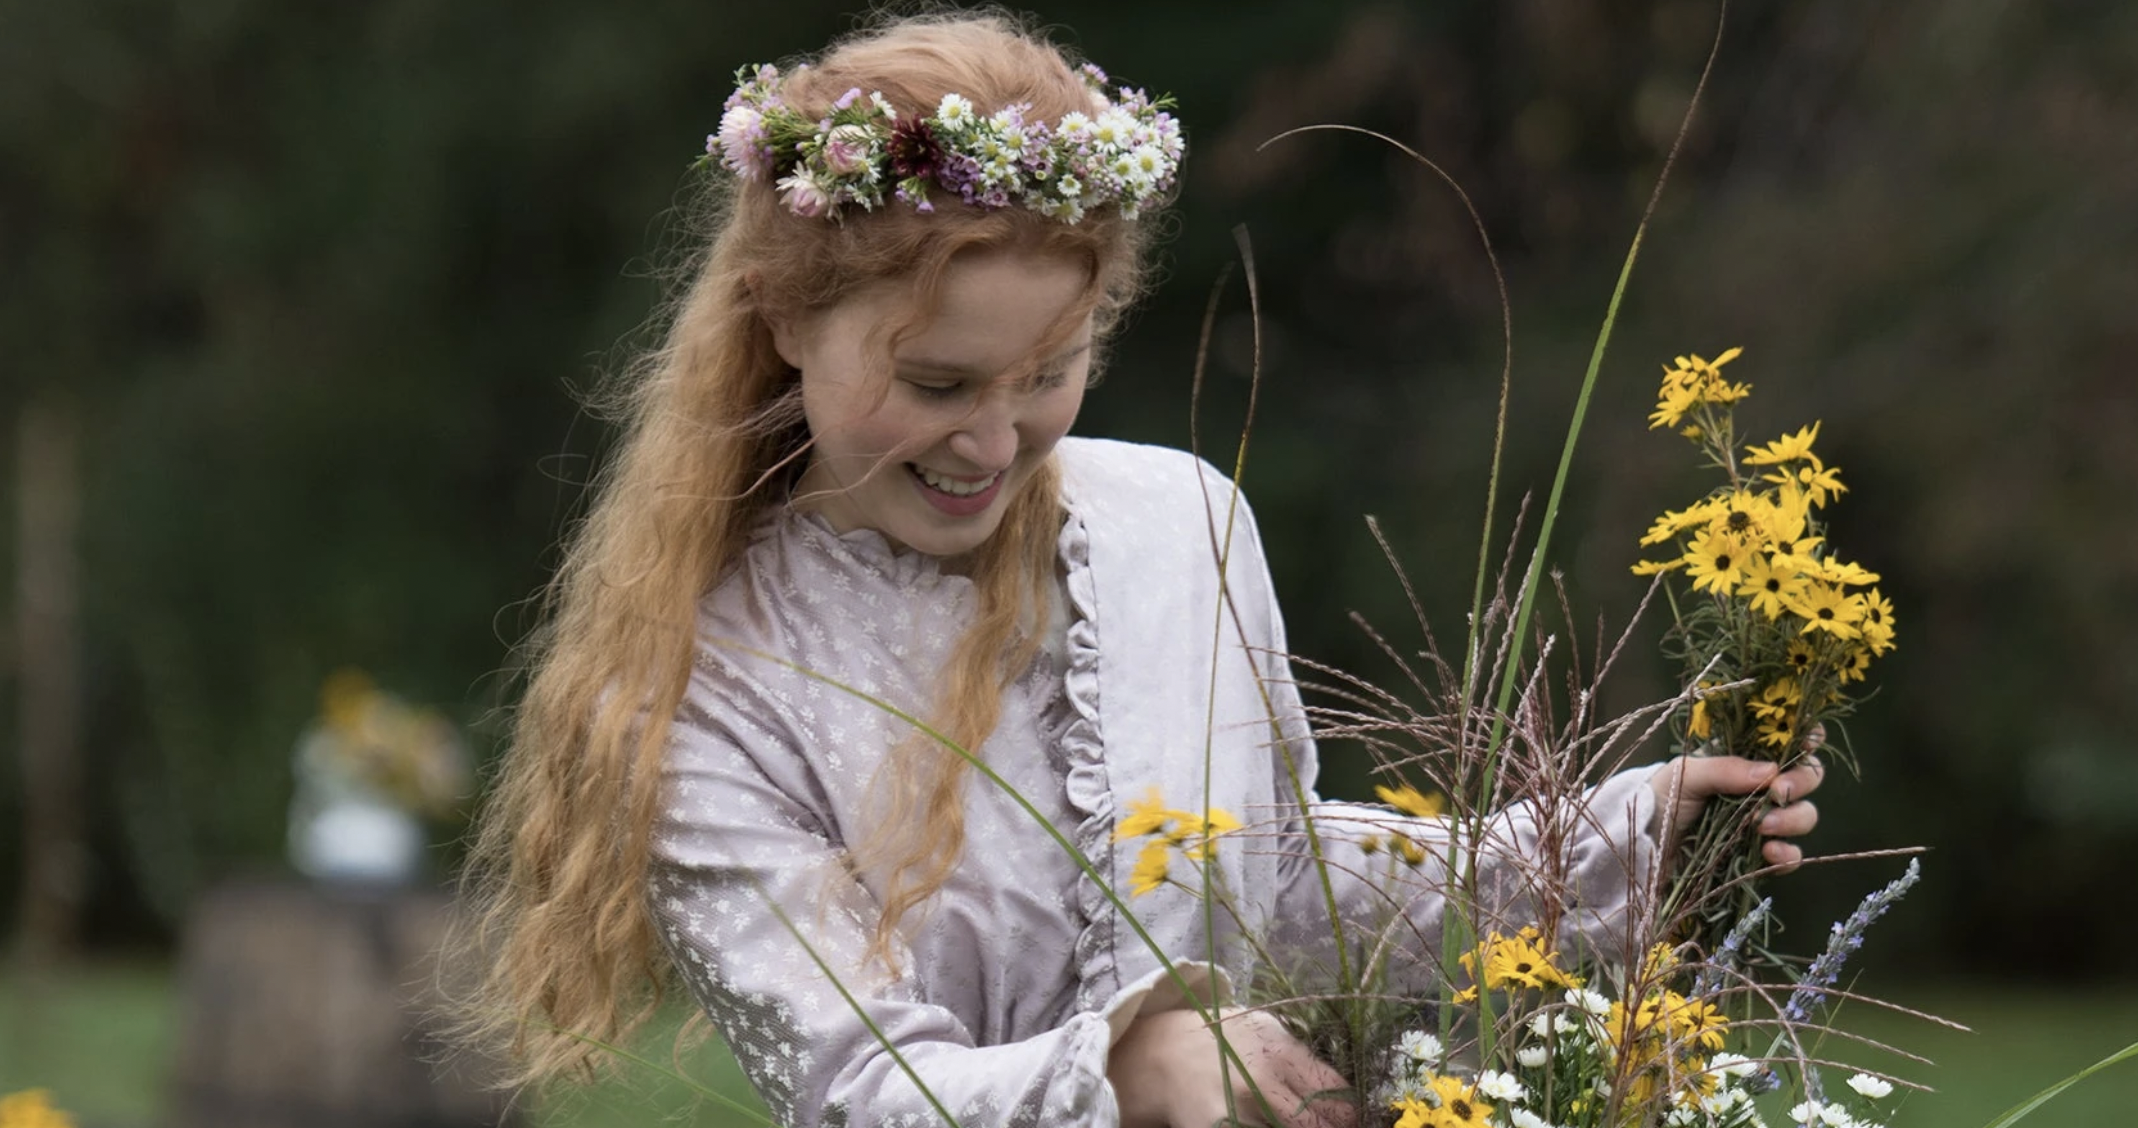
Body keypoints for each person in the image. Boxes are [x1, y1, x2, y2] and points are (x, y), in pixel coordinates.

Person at [453, 13, 1822, 1128]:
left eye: (1048, 373)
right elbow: (859, 1086)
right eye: (935, 380)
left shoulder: (1178, 521)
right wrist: (1123, 1075)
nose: (993, 440)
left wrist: (1606, 848)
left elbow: (1275, 888)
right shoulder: (706, 688)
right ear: (783, 324)